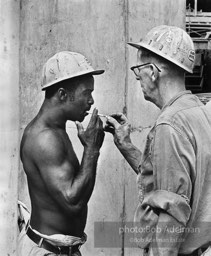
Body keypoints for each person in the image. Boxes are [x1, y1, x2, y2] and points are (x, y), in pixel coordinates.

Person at [105, 25, 211, 256]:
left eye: (138, 70)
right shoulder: (197, 112)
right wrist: (126, 146)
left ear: (152, 71)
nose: (137, 78)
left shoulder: (169, 124)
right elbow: (169, 181)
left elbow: (172, 211)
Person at [18, 51, 105, 256]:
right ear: (63, 94)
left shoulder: (56, 130)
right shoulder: (45, 138)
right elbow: (72, 202)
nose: (91, 101)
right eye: (87, 93)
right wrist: (91, 150)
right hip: (48, 251)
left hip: (59, 249)